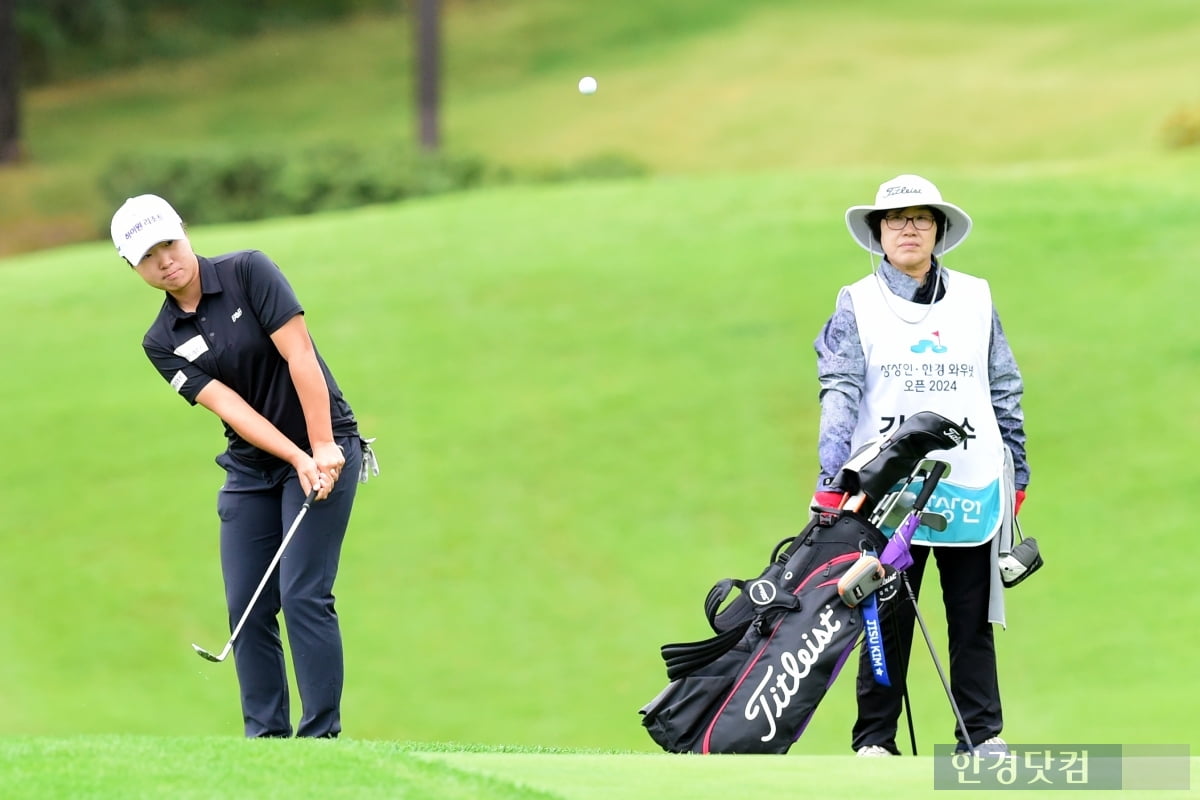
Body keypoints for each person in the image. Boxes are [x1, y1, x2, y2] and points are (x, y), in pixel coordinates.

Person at [111, 194, 378, 738]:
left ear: (183, 231)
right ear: (132, 266)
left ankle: (320, 738)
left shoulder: (249, 271)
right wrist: (296, 457)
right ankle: (266, 745)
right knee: (248, 607)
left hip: (328, 445)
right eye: (148, 255)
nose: (165, 259)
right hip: (254, 471)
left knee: (304, 593)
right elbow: (231, 407)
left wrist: (322, 447)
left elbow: (299, 354)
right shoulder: (161, 341)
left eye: (168, 243)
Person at [810, 175, 1029, 757]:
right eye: (895, 219)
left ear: (938, 231)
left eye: (921, 218)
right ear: (878, 234)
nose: (908, 228)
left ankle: (980, 737)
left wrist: (1019, 473)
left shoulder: (976, 296)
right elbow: (840, 392)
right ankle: (874, 740)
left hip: (972, 480)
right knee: (884, 620)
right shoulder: (855, 302)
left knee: (971, 619)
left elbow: (1003, 386)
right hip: (887, 489)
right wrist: (833, 481)